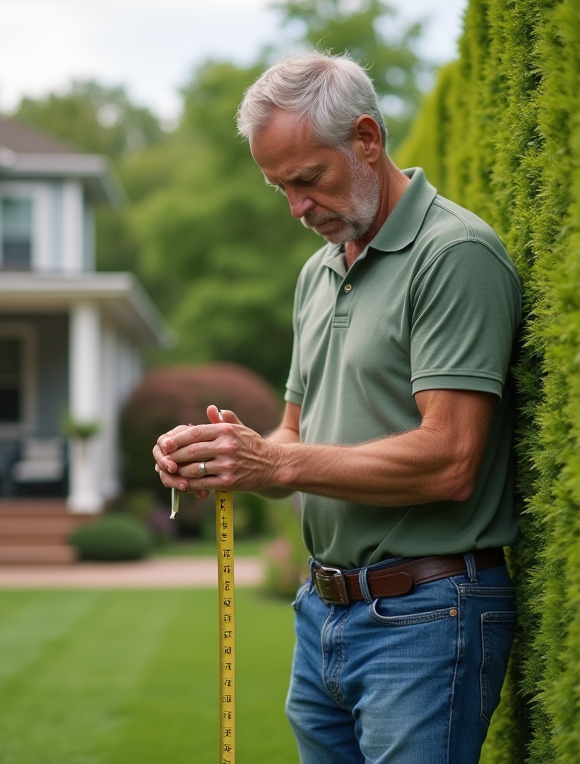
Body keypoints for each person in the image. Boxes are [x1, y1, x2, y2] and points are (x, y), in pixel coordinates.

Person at [152, 51, 522, 764]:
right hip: (323, 613)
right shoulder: (318, 274)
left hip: (426, 615)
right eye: (278, 188)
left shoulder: (455, 254)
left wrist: (278, 461)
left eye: (307, 180)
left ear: (366, 140)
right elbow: (293, 433)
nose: (296, 208)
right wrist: (223, 456)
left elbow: (450, 461)